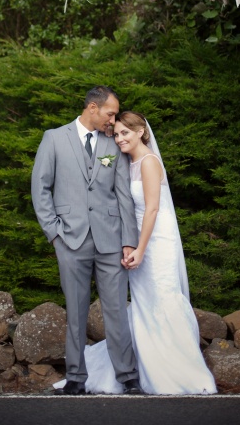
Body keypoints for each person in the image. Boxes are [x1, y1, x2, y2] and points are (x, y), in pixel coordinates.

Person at [61, 111, 218, 396]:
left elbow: (153, 209)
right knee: (143, 304)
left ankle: (177, 371)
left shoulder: (148, 162)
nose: (119, 138)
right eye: (117, 133)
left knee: (163, 298)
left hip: (156, 240)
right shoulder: (124, 160)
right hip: (137, 239)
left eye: (125, 133)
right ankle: (142, 368)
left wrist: (141, 248)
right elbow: (109, 184)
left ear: (141, 132)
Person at [31, 86, 143, 395]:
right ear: (92, 108)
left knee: (117, 310)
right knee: (76, 311)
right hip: (70, 240)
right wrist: (54, 234)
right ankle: (76, 378)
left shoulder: (112, 144)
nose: (113, 119)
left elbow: (123, 195)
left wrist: (129, 240)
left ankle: (128, 376)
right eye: (110, 113)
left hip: (111, 240)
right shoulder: (54, 138)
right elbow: (40, 189)